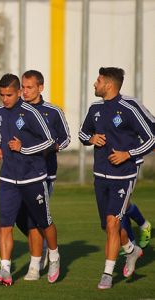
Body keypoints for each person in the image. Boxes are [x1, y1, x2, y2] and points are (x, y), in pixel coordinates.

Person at [79, 67, 154, 289]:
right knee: (107, 225)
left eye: (98, 80)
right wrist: (91, 138)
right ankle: (132, 250)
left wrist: (128, 154)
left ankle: (107, 274)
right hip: (99, 175)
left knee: (113, 224)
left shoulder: (129, 107)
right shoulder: (95, 108)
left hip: (124, 175)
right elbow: (82, 134)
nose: (94, 83)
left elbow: (152, 137)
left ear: (109, 85)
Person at [0, 73, 60, 286]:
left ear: (19, 92)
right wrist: (0, 150)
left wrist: (24, 149)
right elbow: (4, 135)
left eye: (9, 95)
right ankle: (5, 270)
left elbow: (49, 141)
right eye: (2, 95)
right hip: (9, 179)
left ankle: (55, 256)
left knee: (44, 222)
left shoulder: (30, 112)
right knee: (5, 226)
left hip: (33, 178)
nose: (5, 99)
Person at [18, 70, 71, 280]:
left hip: (44, 173)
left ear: (40, 88)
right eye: (23, 87)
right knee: (19, 218)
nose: (25, 91)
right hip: (18, 174)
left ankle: (35, 264)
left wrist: (54, 147)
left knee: (35, 218)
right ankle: (46, 244)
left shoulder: (52, 111)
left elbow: (66, 138)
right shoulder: (16, 110)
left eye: (29, 87)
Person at [118, 96, 154, 251]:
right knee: (119, 205)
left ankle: (136, 236)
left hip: (132, 161)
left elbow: (151, 124)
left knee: (121, 205)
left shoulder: (131, 104)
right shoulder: (101, 106)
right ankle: (134, 241)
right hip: (111, 164)